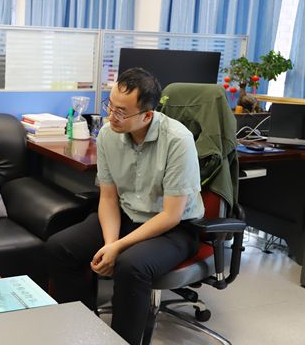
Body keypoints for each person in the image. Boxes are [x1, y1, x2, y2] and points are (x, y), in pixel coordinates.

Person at [46, 68, 204, 345]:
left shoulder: (177, 140)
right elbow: (108, 198)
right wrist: (110, 244)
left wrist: (117, 248)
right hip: (127, 215)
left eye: (121, 112)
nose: (111, 116)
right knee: (60, 248)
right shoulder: (108, 135)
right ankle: (81, 332)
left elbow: (171, 215)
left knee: (131, 266)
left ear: (147, 115)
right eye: (110, 106)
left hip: (173, 228)